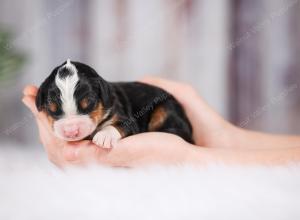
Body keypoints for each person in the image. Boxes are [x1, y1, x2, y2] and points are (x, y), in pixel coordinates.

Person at [22, 77, 300, 168]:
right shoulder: (101, 95)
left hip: (163, 113)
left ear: (103, 96)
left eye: (85, 109)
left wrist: (187, 156)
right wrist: (220, 137)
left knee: (161, 118)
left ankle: (201, 141)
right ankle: (220, 140)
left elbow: (126, 122)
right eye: (55, 112)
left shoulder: (115, 106)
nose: (69, 125)